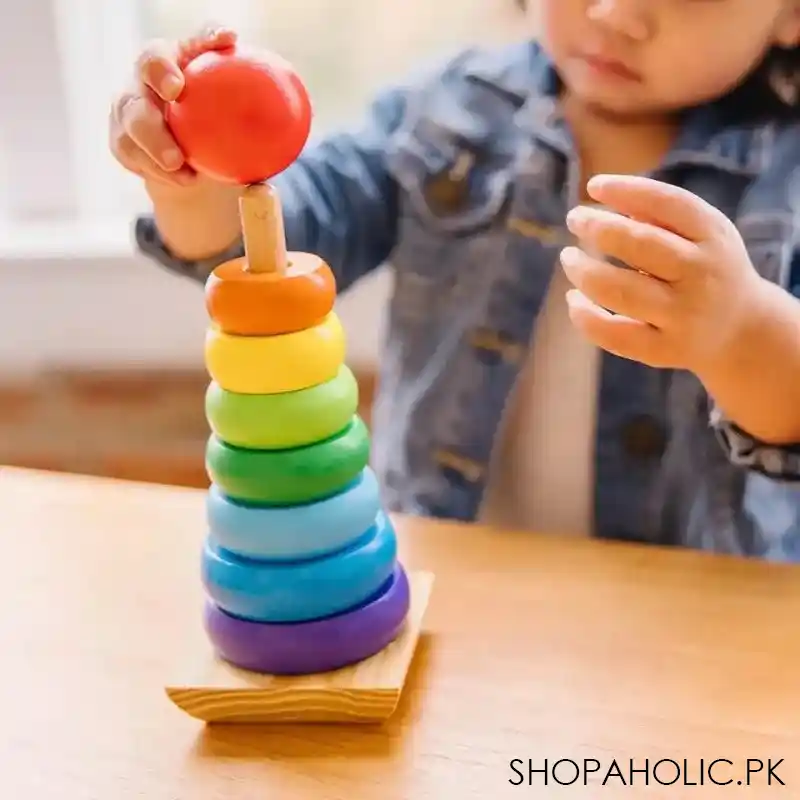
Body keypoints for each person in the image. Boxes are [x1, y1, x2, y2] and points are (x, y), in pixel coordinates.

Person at [109, 1, 800, 560]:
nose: (618, 14)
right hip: (450, 576)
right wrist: (186, 170)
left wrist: (740, 332)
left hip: (692, 619)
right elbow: (271, 239)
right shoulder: (447, 109)